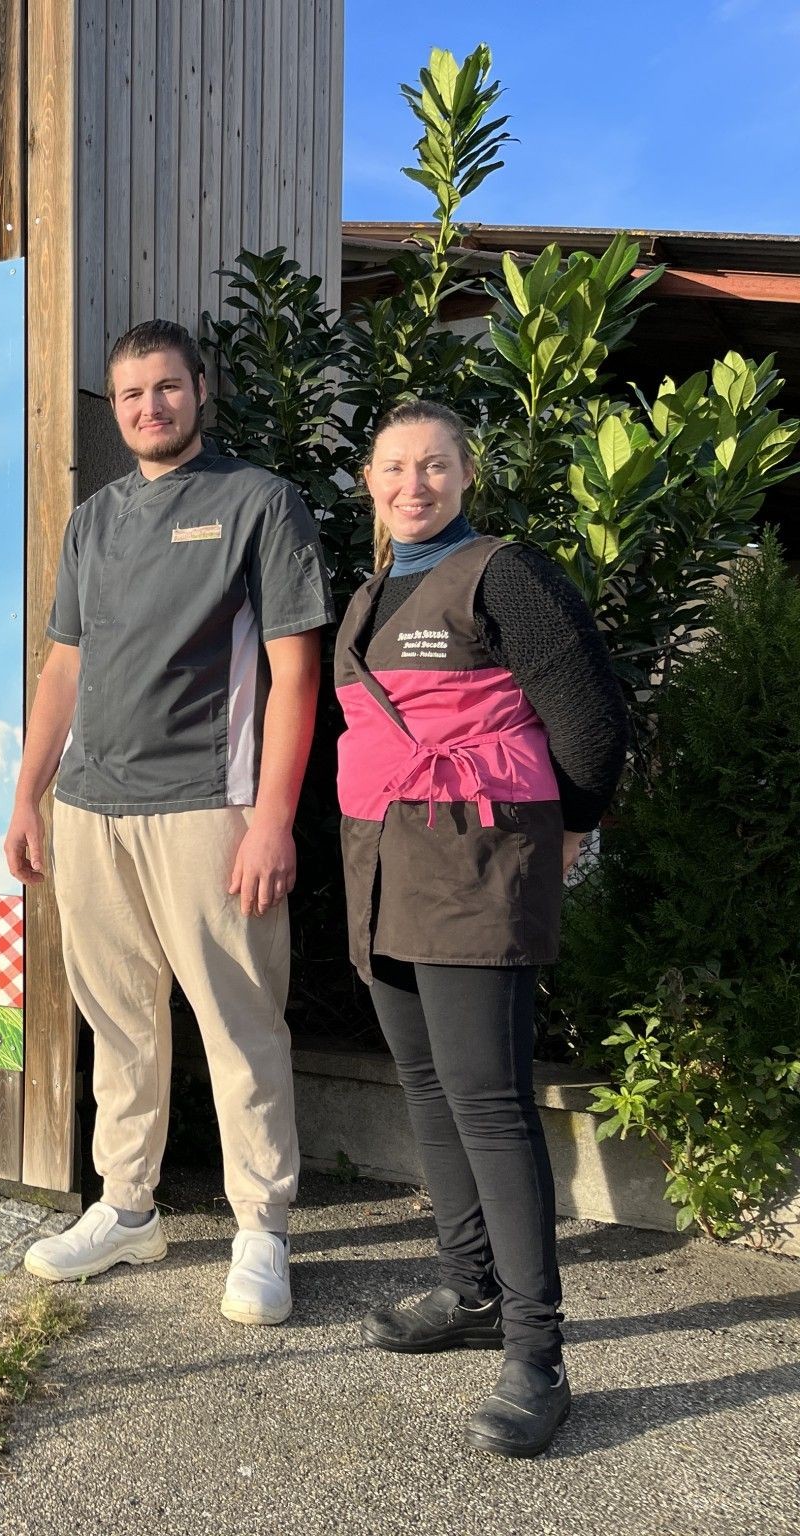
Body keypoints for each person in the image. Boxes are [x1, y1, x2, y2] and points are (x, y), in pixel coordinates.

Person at [7, 319, 332, 1325]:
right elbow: (64, 665)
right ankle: (127, 1206)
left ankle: (261, 1227)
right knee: (119, 1024)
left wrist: (272, 818)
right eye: (131, 394)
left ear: (200, 388)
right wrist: (27, 794)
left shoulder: (258, 503)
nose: (149, 406)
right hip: (89, 809)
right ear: (116, 409)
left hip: (207, 806)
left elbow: (294, 673)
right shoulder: (92, 519)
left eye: (166, 387)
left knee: (238, 1025)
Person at [339, 399, 628, 1457]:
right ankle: (466, 1294)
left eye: (432, 466)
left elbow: (593, 723)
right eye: (391, 467)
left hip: (470, 869)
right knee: (426, 1089)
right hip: (379, 866)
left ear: (466, 476)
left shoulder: (501, 574)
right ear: (367, 482)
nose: (410, 484)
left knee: (491, 1106)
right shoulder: (371, 589)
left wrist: (570, 830)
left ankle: (535, 1353)